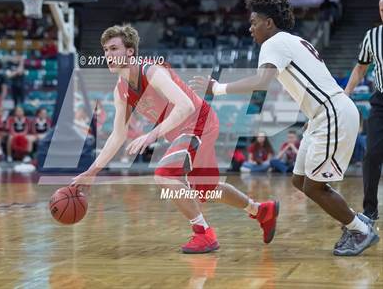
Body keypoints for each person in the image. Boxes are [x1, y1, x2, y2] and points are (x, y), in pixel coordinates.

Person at [191, 0, 378, 256]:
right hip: (321, 115)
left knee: (314, 186)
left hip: (331, 112)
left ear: (269, 23)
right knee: (300, 181)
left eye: (254, 21)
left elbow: (261, 82)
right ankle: (357, 221)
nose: (250, 27)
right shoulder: (292, 40)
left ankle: (360, 229)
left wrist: (217, 88)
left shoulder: (274, 42)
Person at [71, 24, 280, 253]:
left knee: (164, 175)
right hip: (184, 132)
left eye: (114, 48)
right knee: (206, 189)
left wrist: (151, 135)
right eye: (106, 50)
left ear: (130, 51)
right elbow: (118, 134)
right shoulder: (121, 90)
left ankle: (204, 234)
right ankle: (261, 211)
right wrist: (92, 171)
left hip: (199, 122)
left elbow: (186, 106)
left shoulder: (151, 71)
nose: (108, 55)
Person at [344, 0, 383, 221]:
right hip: (381, 101)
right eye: (381, 9)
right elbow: (360, 68)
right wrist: (346, 93)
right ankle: (370, 209)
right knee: (371, 155)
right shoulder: (372, 36)